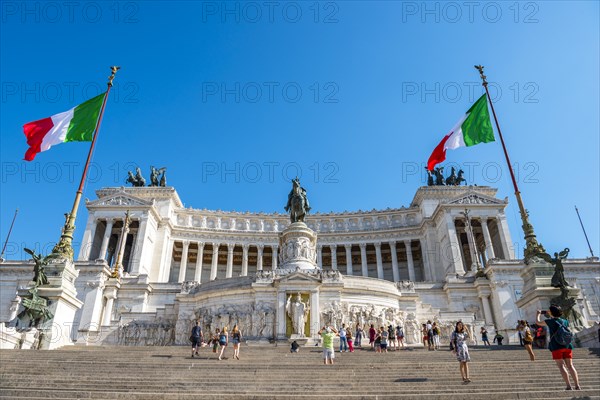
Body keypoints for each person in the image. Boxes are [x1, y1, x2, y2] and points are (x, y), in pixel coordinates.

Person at [537, 306, 580, 390]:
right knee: (570, 366)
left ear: (552, 312)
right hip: (567, 345)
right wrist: (551, 313)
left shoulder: (550, 321)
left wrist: (538, 314)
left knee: (561, 366)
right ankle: (577, 385)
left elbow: (538, 322)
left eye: (549, 311)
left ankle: (568, 385)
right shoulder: (565, 321)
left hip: (556, 346)